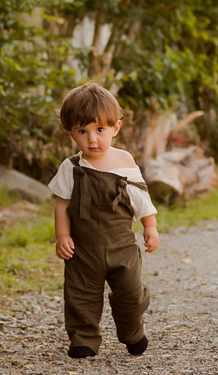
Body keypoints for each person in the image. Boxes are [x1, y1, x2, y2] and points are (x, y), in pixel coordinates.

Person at [47, 83, 159, 359]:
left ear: (115, 128)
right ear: (71, 132)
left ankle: (133, 332)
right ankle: (83, 339)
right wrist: (63, 236)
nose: (92, 139)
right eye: (82, 132)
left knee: (131, 295)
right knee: (80, 297)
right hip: (84, 250)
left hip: (122, 247)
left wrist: (150, 225)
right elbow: (62, 204)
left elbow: (140, 196)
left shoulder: (124, 160)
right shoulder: (71, 167)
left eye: (100, 130)